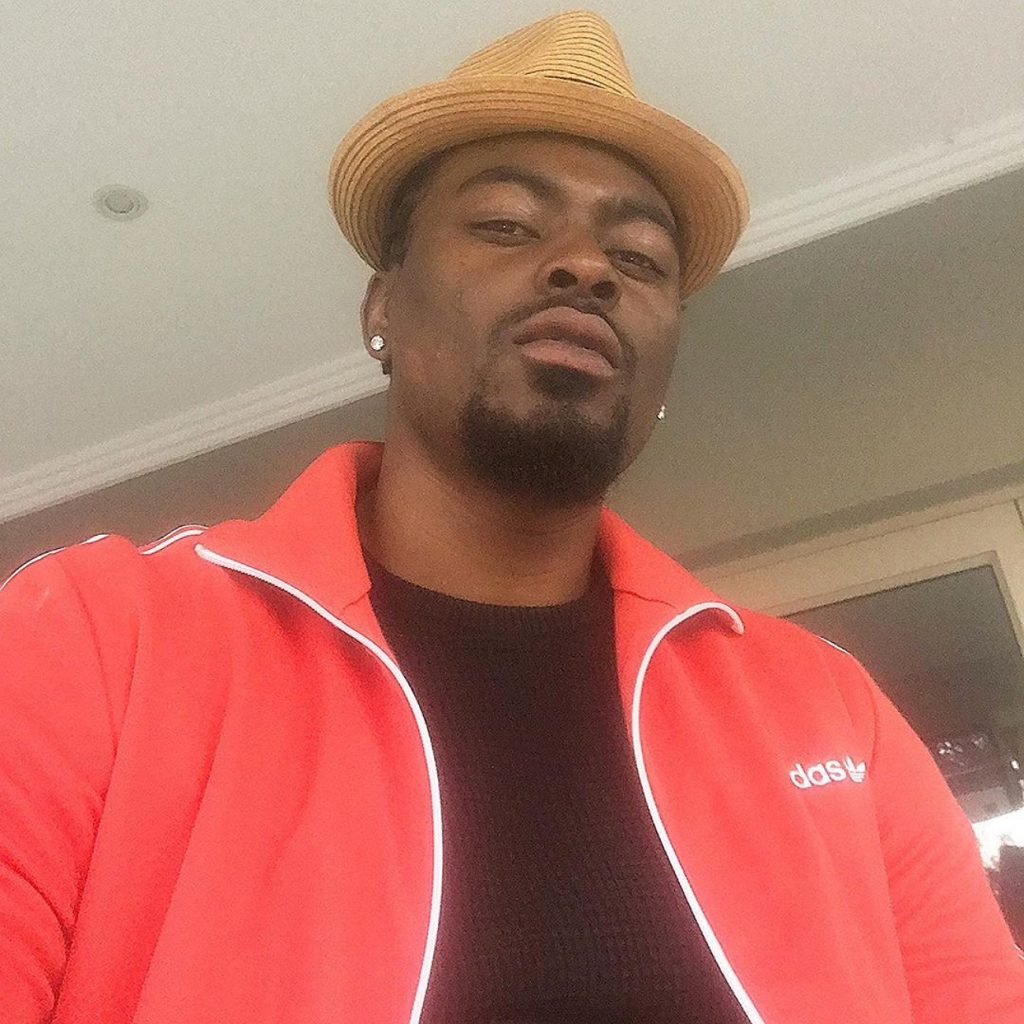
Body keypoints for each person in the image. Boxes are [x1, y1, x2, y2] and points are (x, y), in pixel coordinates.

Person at [1, 10, 1022, 1024]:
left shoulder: (828, 707)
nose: (587, 267)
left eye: (640, 257)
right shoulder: (96, 635)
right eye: (504, 224)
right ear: (382, 310)